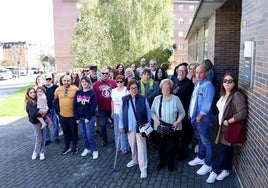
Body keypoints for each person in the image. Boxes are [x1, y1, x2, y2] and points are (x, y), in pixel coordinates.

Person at [206, 73, 247, 183]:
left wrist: (229, 121)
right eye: (225, 81)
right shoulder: (224, 94)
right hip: (221, 127)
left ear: (234, 83)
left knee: (223, 151)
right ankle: (226, 170)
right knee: (228, 151)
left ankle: (214, 171)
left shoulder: (237, 95)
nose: (227, 83)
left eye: (230, 81)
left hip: (228, 128)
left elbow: (243, 113)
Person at [119, 80, 151, 179]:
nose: (134, 90)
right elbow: (121, 114)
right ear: (128, 89)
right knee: (133, 146)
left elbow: (148, 113)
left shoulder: (142, 99)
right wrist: (121, 126)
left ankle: (143, 168)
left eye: (136, 88)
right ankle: (134, 160)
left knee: (142, 148)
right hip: (129, 127)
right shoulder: (124, 99)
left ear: (138, 88)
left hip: (140, 128)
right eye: (132, 88)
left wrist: (148, 126)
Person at [151, 79, 185, 172]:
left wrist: (178, 121)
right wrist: (155, 119)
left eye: (168, 88)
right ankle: (162, 162)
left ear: (171, 88)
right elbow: (152, 112)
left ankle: (170, 164)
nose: (165, 90)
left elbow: (182, 112)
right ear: (161, 89)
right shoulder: (157, 99)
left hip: (172, 128)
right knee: (161, 146)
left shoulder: (176, 99)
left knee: (171, 147)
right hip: (160, 128)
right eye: (164, 88)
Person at [188, 65, 215, 176]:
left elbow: (207, 103)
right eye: (196, 72)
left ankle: (208, 164)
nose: (198, 74)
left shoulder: (208, 86)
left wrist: (200, 116)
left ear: (206, 74)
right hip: (194, 118)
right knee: (200, 139)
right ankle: (201, 157)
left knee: (207, 142)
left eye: (201, 72)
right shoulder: (198, 84)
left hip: (201, 120)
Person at [172, 63, 194, 160]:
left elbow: (188, 100)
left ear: (186, 72)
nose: (181, 72)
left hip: (184, 113)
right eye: (179, 70)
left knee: (184, 135)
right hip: (175, 113)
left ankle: (183, 154)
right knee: (176, 134)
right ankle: (176, 151)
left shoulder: (189, 84)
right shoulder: (176, 81)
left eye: (183, 71)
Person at [73, 76, 99, 159]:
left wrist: (88, 117)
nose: (84, 83)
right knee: (84, 134)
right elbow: (75, 105)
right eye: (82, 81)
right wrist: (76, 117)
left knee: (89, 135)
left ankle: (95, 150)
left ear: (88, 83)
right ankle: (87, 148)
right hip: (80, 117)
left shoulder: (92, 93)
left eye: (86, 82)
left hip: (89, 118)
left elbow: (93, 106)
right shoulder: (78, 93)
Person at [54, 75, 79, 155]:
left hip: (73, 116)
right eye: (64, 80)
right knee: (65, 132)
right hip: (62, 116)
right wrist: (58, 112)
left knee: (74, 132)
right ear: (62, 81)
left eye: (68, 80)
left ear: (71, 81)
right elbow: (55, 100)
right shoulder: (58, 89)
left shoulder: (75, 89)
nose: (66, 82)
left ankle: (74, 146)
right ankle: (67, 146)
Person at [93, 67, 117, 147]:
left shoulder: (113, 83)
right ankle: (104, 139)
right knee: (102, 125)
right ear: (100, 74)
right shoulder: (96, 84)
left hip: (112, 108)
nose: (105, 75)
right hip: (102, 109)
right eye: (103, 73)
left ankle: (117, 139)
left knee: (116, 125)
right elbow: (92, 96)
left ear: (109, 73)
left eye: (106, 73)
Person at [25, 87, 46, 160]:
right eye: (31, 93)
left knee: (43, 137)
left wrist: (45, 113)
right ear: (28, 94)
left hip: (43, 120)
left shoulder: (39, 99)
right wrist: (42, 114)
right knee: (39, 138)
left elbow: (45, 108)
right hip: (35, 123)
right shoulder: (29, 103)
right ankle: (36, 152)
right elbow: (34, 114)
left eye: (34, 92)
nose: (33, 94)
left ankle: (42, 152)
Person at [111, 75, 130, 154]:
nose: (119, 83)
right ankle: (118, 146)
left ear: (124, 82)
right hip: (116, 112)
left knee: (123, 130)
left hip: (124, 113)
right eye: (117, 81)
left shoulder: (126, 90)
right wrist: (112, 112)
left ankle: (124, 147)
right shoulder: (113, 90)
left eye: (121, 81)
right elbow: (112, 101)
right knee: (116, 130)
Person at [43, 73, 60, 145]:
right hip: (46, 109)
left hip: (54, 108)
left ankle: (56, 137)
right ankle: (47, 138)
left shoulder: (56, 87)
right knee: (46, 124)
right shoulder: (42, 88)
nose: (48, 81)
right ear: (45, 80)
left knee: (55, 123)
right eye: (47, 79)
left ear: (52, 79)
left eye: (50, 79)